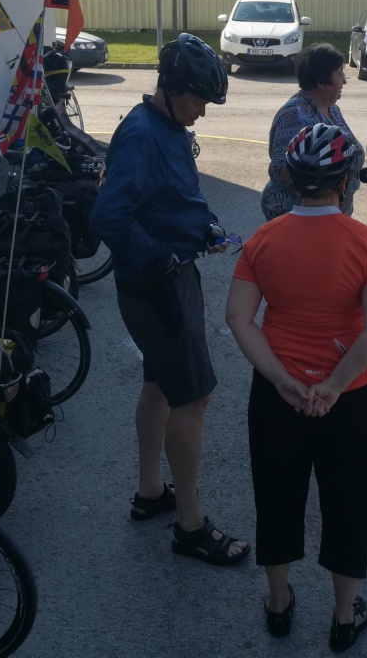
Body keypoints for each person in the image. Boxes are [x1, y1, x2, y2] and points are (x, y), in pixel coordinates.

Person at [226, 123, 367, 652]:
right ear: (345, 181)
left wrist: (281, 378)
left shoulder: (263, 240)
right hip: (351, 397)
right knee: (349, 505)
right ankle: (343, 616)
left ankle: (278, 603)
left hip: (279, 396)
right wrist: (335, 386)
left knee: (276, 497)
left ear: (291, 179)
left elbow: (239, 318)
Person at [89, 33, 250, 566]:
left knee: (159, 384)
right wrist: (161, 256)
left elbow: (173, 196)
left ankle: (151, 491)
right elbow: (108, 216)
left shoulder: (168, 126)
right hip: (159, 286)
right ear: (174, 89)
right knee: (192, 397)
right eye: (200, 100)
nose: (203, 111)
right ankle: (191, 525)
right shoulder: (142, 135)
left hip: (166, 278)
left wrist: (203, 227)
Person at [262, 44, 363, 220]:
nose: (344, 81)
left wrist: (360, 173)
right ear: (322, 82)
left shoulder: (331, 109)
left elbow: (334, 157)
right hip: (301, 218)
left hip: (327, 215)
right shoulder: (296, 116)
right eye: (339, 74)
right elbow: (280, 172)